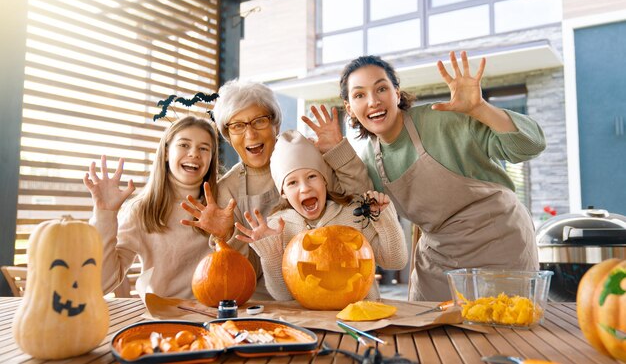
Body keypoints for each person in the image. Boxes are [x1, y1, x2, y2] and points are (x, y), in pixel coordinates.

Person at [307, 51, 546, 301]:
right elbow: (361, 206)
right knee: (427, 331)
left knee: (500, 331)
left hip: (500, 242)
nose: (373, 101)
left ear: (396, 94)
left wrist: (480, 109)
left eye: (381, 89)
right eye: (359, 95)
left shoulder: (443, 120)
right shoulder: (368, 160)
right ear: (350, 109)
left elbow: (530, 146)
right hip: (439, 258)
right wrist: (336, 150)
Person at [179, 80, 372, 299]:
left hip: (335, 289)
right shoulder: (227, 190)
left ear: (275, 124)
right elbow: (240, 274)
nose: (250, 135)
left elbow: (362, 204)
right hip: (268, 305)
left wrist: (339, 150)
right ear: (228, 136)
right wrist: (228, 235)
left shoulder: (308, 158)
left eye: (259, 121)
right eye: (238, 126)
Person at [234, 130, 408, 301]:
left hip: (360, 319)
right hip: (313, 325)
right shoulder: (278, 227)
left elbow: (395, 261)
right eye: (292, 182)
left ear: (324, 180)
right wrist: (271, 252)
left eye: (311, 176)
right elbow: (283, 296)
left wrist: (384, 216)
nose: (305, 188)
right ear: (283, 192)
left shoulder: (351, 214)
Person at [83, 115, 220, 298]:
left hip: (216, 318)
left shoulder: (223, 204)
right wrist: (105, 214)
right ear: (165, 153)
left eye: (204, 148)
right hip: (163, 320)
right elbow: (101, 284)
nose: (194, 153)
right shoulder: (142, 210)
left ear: (211, 159)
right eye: (184, 145)